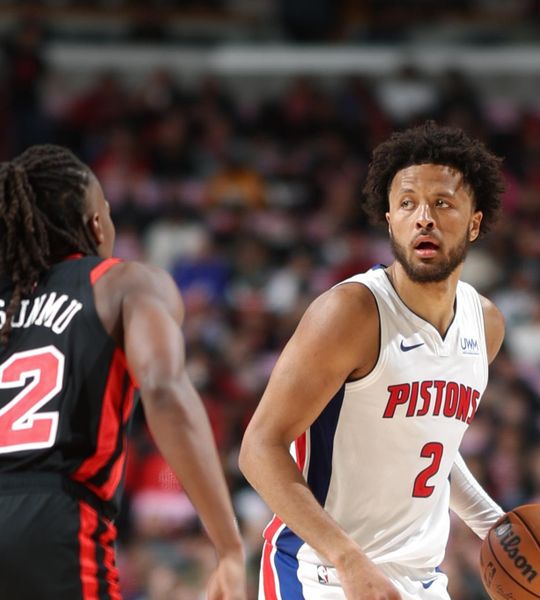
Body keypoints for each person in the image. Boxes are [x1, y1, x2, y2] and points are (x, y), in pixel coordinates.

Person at [239, 121, 507, 600]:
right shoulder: (351, 312)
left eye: (442, 203)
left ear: (475, 222)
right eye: (407, 204)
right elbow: (259, 448)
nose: (423, 217)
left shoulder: (484, 325)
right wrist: (346, 558)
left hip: (420, 581)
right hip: (321, 573)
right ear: (389, 220)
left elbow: (432, 446)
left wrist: (495, 526)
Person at [0, 144, 246, 600]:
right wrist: (228, 546)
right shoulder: (123, 281)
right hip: (54, 520)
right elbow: (163, 387)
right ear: (96, 224)